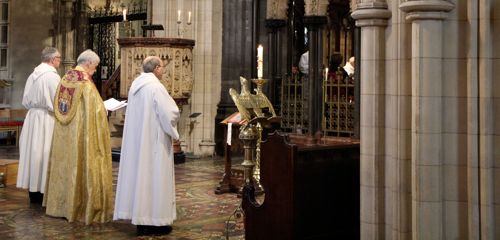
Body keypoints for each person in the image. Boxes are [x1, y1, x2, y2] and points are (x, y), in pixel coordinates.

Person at [43, 49, 113, 224]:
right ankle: (82, 208)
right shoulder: (85, 84)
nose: (95, 71)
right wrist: (104, 110)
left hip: (65, 136)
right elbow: (95, 112)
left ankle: (60, 206)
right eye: (95, 67)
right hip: (82, 136)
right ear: (88, 64)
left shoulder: (65, 79)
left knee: (65, 165)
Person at [114, 56, 180, 236]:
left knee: (141, 178)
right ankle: (156, 222)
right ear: (157, 68)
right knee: (155, 178)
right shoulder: (155, 87)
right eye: (162, 68)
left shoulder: (136, 85)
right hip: (154, 141)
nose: (163, 71)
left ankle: (141, 220)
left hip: (139, 141)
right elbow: (170, 113)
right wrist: (175, 121)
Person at [16, 47, 61, 204]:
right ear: (51, 59)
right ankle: (42, 192)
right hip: (45, 119)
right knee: (43, 152)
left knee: (33, 153)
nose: (60, 61)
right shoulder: (51, 77)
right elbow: (58, 101)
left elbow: (26, 98)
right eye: (58, 58)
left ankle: (33, 192)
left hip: (32, 117)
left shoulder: (33, 75)